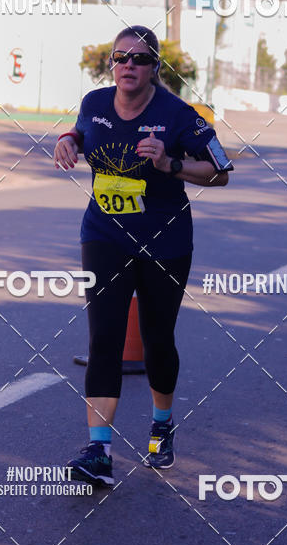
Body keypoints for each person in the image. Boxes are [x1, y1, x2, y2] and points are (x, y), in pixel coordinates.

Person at [53, 25, 233, 487]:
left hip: (164, 242)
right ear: (111, 64)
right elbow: (81, 129)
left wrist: (171, 164)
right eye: (120, 58)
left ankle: (161, 423)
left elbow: (221, 173)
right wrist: (67, 141)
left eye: (139, 59)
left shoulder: (179, 116)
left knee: (157, 340)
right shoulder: (95, 102)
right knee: (104, 339)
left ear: (155, 67)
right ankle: (99, 450)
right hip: (104, 235)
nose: (128, 66)